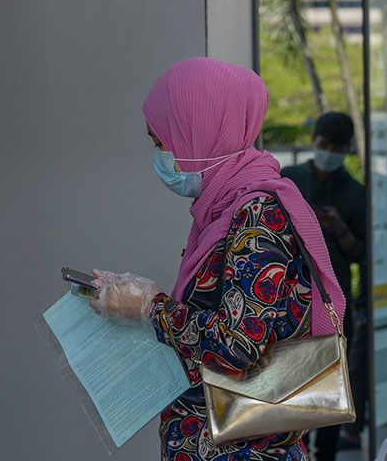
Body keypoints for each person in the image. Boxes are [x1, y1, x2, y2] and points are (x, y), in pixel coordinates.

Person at [87, 57, 348, 461]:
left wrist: (149, 305)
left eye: (162, 143)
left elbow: (238, 345)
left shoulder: (258, 216)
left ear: (199, 135)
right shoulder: (224, 210)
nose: (160, 157)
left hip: (242, 449)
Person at [281, 112, 368, 458]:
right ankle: (291, 446)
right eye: (323, 144)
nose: (328, 152)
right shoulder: (290, 178)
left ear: (347, 149)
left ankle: (326, 453)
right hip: (287, 294)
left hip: (334, 300)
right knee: (291, 377)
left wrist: (339, 230)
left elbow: (365, 252)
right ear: (314, 141)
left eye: (336, 147)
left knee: (332, 380)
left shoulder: (356, 194)